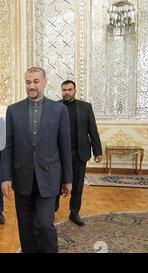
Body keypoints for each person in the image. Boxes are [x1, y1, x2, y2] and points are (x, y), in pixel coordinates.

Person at [1, 67, 73, 253]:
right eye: (28, 82)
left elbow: (64, 147)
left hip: (49, 178)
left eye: (35, 81)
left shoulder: (59, 110)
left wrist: (68, 179)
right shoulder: (13, 110)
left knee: (43, 224)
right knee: (25, 226)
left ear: (44, 82)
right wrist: (6, 177)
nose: (31, 86)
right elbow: (7, 147)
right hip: (22, 178)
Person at [55, 80, 103, 226]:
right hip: (59, 154)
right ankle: (52, 210)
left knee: (78, 185)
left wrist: (97, 150)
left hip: (79, 153)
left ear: (75, 91)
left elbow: (92, 129)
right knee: (56, 183)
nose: (66, 93)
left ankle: (74, 213)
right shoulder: (54, 107)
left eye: (69, 90)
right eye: (64, 90)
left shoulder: (85, 107)